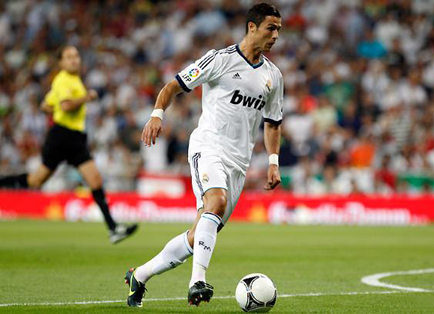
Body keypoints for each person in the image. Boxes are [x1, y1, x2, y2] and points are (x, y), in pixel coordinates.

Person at [124, 2, 283, 308]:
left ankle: (139, 275)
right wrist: (157, 114)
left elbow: (273, 123)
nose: (275, 35)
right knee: (217, 201)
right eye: (270, 28)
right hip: (208, 145)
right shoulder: (219, 60)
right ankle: (197, 280)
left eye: (278, 29)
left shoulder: (273, 77)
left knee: (199, 235)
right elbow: (173, 86)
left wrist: (273, 161)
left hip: (239, 162)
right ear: (252, 27)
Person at [0, 46, 138, 244]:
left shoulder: (71, 81)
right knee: (36, 181)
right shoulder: (63, 79)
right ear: (61, 63)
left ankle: (113, 228)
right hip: (61, 136)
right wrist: (87, 97)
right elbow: (65, 105)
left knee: (95, 180)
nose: (74, 60)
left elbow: (45, 105)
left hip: (74, 138)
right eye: (69, 57)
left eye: (76, 56)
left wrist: (55, 106)